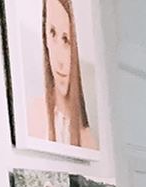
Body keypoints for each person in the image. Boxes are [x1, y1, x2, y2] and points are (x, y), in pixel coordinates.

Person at [26, 0, 99, 150]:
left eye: (66, 40)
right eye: (52, 33)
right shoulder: (34, 115)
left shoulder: (88, 140)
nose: (59, 60)